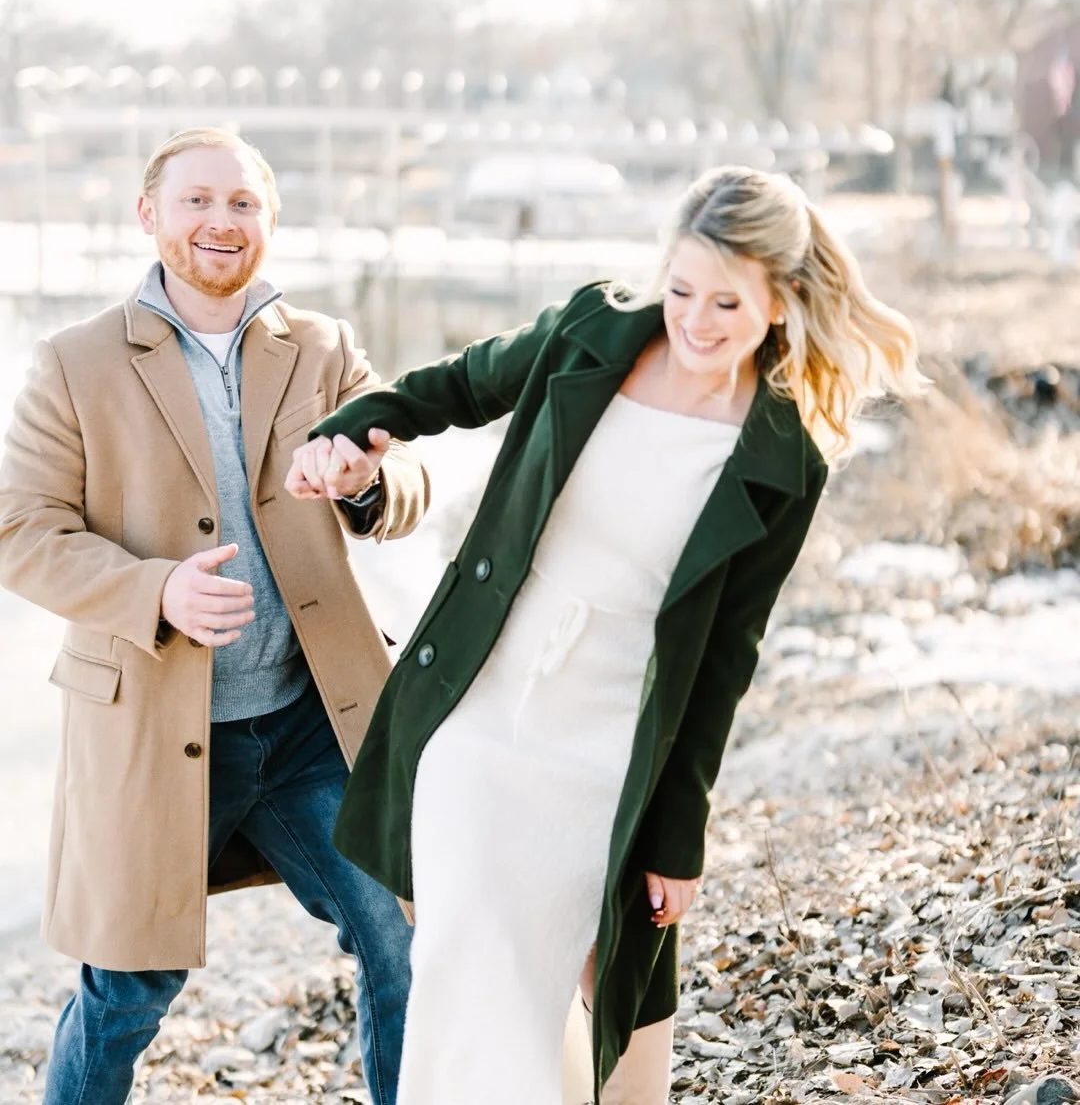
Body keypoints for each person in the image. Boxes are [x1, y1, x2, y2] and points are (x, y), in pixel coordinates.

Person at [285, 166, 925, 1105]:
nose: (695, 323)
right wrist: (356, 427)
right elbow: (461, 385)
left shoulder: (785, 451)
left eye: (726, 303)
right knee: (465, 951)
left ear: (782, 301)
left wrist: (679, 832)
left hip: (619, 735)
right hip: (486, 694)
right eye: (679, 291)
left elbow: (725, 659)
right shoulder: (595, 331)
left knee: (603, 974)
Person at [0, 127, 429, 1105]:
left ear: (269, 221)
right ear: (149, 216)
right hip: (155, 730)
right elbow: (19, 529)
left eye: (242, 203)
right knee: (126, 989)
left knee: (401, 937)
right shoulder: (75, 362)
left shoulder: (320, 345)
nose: (221, 223)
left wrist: (368, 476)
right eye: (196, 201)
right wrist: (155, 591)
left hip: (313, 724)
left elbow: (406, 474)